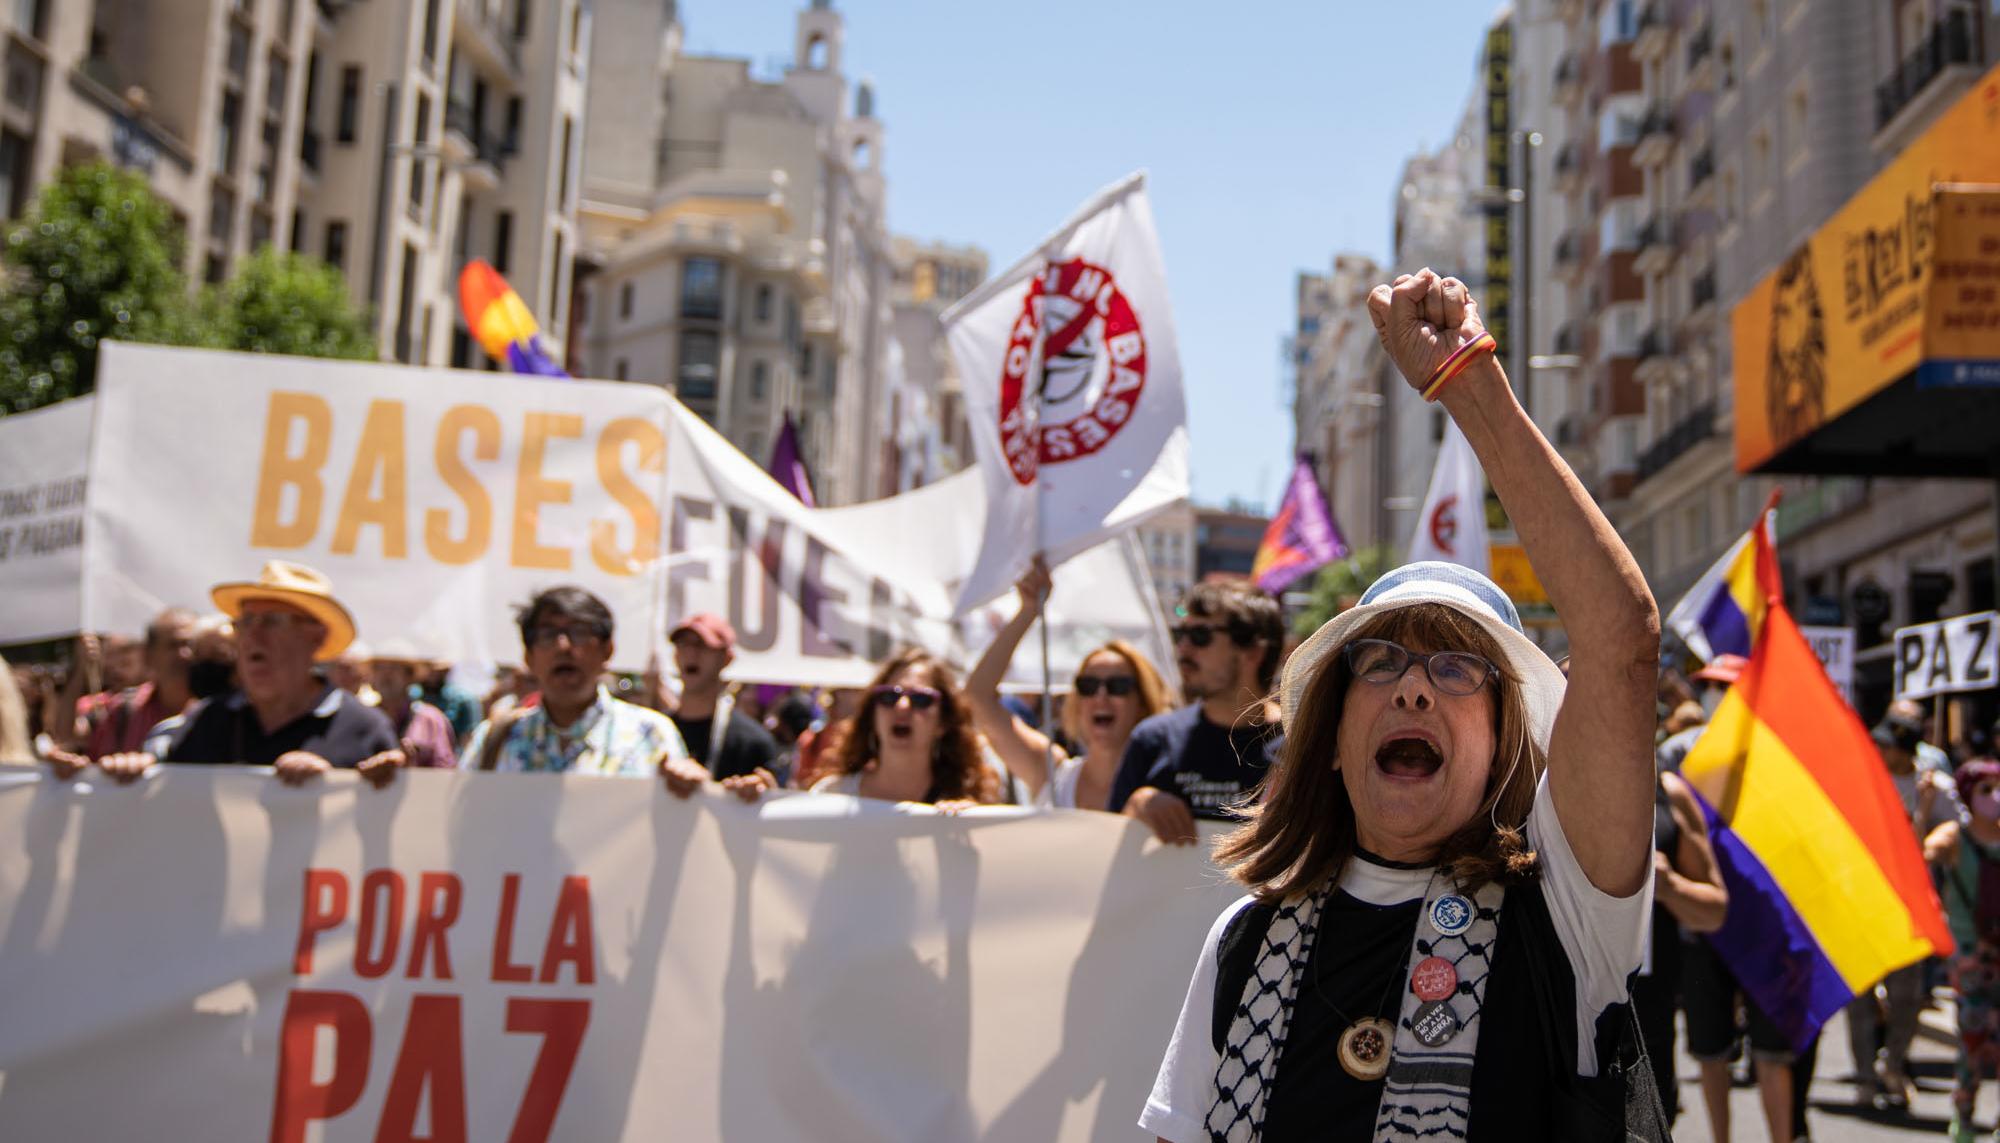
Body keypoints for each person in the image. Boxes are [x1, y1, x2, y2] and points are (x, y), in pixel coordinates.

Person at [1140, 270, 1663, 1141]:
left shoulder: (1565, 916)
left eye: (1458, 669)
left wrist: (1467, 378)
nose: (1414, 685)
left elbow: (1623, 642)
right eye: (1380, 660)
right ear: (1333, 739)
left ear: (1504, 742)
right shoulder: (1244, 939)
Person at [101, 562, 403, 787]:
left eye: (271, 621)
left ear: (315, 637)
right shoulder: (207, 720)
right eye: (245, 622)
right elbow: (162, 807)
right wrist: (128, 773)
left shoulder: (365, 729)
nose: (252, 636)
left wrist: (333, 787)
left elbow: (390, 833)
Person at [967, 556, 1174, 814]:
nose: (1101, 696)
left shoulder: (1166, 784)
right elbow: (979, 695)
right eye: (1087, 685)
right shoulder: (1052, 775)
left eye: (1117, 686)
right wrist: (1028, 610)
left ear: (1142, 702)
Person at [1844, 714, 1962, 1111]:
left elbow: (1952, 837)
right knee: (1859, 996)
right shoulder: (1862, 779)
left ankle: (1892, 1063)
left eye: (1887, 745)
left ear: (1905, 748)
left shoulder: (1937, 789)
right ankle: (1864, 1075)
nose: (1879, 750)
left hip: (1910, 909)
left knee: (1907, 997)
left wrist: (1927, 813)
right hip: (1865, 901)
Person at [1109, 578, 1285, 845]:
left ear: (1253, 651)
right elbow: (1106, 852)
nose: (1183, 649)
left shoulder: (1303, 744)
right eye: (1181, 635)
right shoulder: (1152, 739)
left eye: (1200, 636)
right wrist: (1136, 807)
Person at [461, 586, 699, 782]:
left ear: (607, 650)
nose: (562, 646)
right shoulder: (496, 739)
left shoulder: (650, 735)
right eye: (547, 635)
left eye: (579, 632)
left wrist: (695, 789)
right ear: (528, 658)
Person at [1633, 768, 1728, 1125]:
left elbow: (1714, 910)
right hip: (1560, 1015)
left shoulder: (1668, 793)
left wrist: (1670, 885)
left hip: (1646, 1021)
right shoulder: (1543, 772)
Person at [808, 648, 1002, 807]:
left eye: (921, 699)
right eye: (889, 697)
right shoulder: (831, 796)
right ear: (872, 714)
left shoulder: (964, 805)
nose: (902, 707)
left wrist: (972, 831)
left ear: (944, 722)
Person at [1922, 757, 2000, 1143]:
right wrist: (1924, 809)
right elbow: (1922, 854)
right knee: (1972, 1037)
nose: (1995, 797)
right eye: (1986, 788)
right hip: (1969, 957)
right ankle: (1964, 1114)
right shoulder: (1956, 837)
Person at [666, 613, 781, 785]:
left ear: (726, 658)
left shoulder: (753, 742)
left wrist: (762, 791)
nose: (691, 653)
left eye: (701, 645)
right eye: (683, 644)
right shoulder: (655, 731)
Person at [369, 640, 459, 769]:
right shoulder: (363, 718)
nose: (386, 675)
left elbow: (444, 770)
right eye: (379, 667)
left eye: (394, 668)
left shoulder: (430, 719)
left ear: (410, 676)